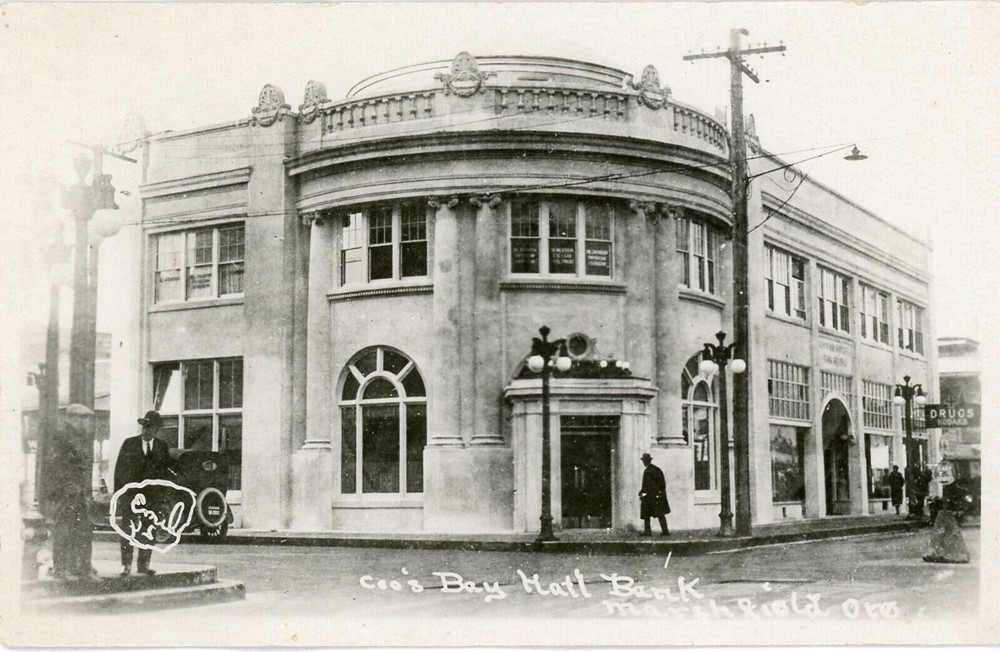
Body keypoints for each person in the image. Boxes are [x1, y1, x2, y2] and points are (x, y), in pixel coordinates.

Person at [114, 410, 172, 576]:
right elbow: (119, 470)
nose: (146, 431)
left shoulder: (161, 447)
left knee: (149, 528)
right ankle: (126, 565)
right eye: (145, 427)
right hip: (131, 495)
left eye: (150, 428)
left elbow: (166, 472)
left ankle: (144, 565)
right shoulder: (129, 444)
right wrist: (119, 495)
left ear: (156, 430)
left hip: (153, 496)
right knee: (128, 528)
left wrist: (163, 495)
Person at [46, 404, 97, 580]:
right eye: (83, 418)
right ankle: (61, 568)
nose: (86, 422)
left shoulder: (79, 437)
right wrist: (67, 486)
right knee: (64, 528)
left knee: (82, 528)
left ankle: (81, 567)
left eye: (87, 418)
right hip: (67, 491)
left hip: (78, 491)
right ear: (72, 418)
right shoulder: (62, 436)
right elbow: (57, 465)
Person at [638, 453, 670, 536]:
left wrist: (642, 494)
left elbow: (646, 486)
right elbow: (662, 484)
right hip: (658, 495)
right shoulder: (657, 469)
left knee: (646, 513)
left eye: (643, 461)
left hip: (649, 496)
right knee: (660, 514)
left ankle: (647, 531)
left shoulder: (647, 471)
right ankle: (665, 530)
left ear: (645, 461)